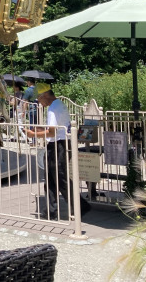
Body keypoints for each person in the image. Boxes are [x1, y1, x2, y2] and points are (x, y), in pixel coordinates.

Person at [24, 83, 92, 220]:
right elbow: (55, 129)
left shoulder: (53, 109)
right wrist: (41, 130)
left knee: (60, 179)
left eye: (39, 98)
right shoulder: (58, 104)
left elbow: (52, 132)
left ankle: (79, 206)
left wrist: (33, 134)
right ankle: (51, 211)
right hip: (59, 144)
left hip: (58, 145)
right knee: (51, 179)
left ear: (45, 95)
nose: (39, 102)